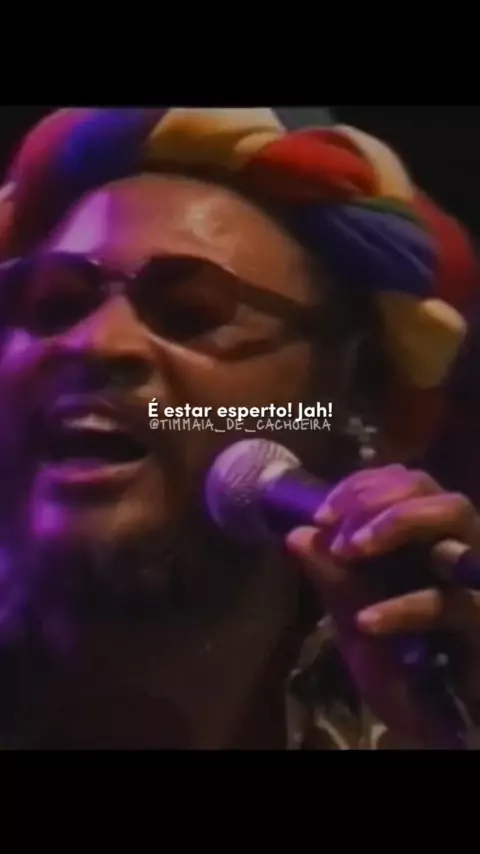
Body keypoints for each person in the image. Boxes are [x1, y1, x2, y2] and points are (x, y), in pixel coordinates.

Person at [0, 107, 478, 748]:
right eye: (56, 304)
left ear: (354, 394)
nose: (95, 342)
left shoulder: (419, 697)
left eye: (191, 312)